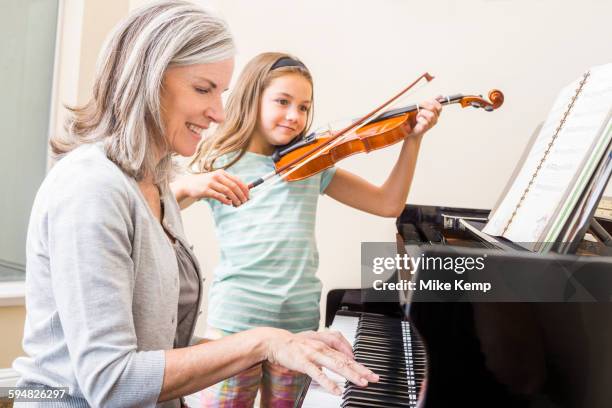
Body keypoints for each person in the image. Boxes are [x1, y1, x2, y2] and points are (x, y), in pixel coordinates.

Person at [12, 2, 378, 407]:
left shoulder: (156, 183)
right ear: (146, 82)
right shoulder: (91, 188)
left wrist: (285, 343)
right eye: (203, 89)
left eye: (220, 93)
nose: (219, 113)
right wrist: (261, 342)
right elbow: (111, 383)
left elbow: (157, 346)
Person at [171, 52, 442, 406]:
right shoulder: (218, 162)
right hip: (235, 328)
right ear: (253, 99)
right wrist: (191, 185)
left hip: (298, 328)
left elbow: (387, 204)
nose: (294, 116)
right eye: (282, 102)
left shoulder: (313, 163)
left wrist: (413, 139)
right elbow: (155, 208)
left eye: (303, 107)